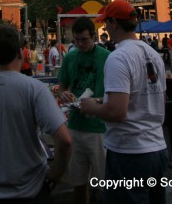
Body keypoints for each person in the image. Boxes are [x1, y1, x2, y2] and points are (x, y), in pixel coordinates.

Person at [0, 24, 71, 203]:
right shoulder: (34, 88)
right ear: (20, 52)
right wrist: (56, 174)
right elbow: (65, 141)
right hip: (32, 191)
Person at [80, 0, 169, 204]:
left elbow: (117, 112)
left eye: (106, 23)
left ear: (114, 23)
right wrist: (106, 100)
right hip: (157, 148)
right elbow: (157, 98)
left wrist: (91, 106)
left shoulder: (118, 57)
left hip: (129, 151)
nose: (105, 28)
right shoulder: (154, 55)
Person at [57, 17, 110, 204]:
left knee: (103, 184)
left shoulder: (106, 57)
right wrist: (64, 95)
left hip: (99, 128)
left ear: (94, 36)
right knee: (78, 181)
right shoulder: (70, 56)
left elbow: (115, 94)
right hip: (75, 126)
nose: (79, 44)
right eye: (76, 40)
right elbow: (62, 87)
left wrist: (94, 101)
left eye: (84, 40)